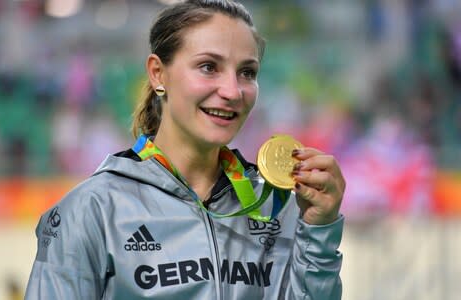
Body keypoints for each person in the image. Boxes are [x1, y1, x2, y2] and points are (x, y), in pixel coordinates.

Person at [25, 0, 345, 299]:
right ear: (158, 73)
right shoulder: (91, 211)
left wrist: (319, 228)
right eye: (208, 67)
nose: (233, 91)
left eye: (247, 72)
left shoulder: (276, 206)